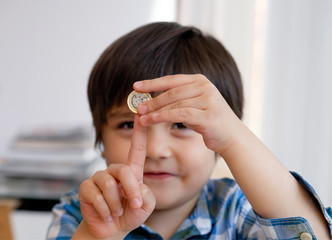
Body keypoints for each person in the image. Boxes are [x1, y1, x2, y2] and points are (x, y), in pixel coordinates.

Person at [47, 22, 332, 239]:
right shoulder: (81, 213)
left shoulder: (238, 209)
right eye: (128, 124)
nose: (157, 150)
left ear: (219, 141)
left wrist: (237, 140)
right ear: (100, 141)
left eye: (183, 125)